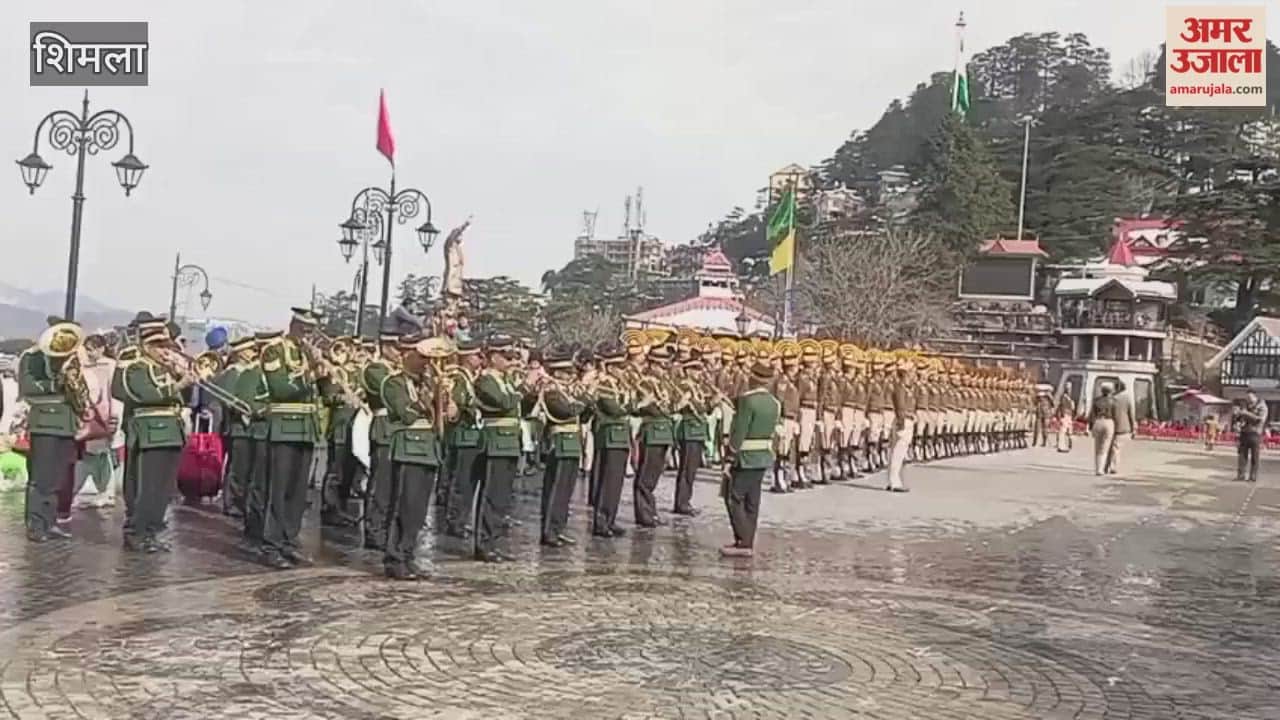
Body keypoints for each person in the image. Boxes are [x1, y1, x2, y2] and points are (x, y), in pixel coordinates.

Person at [257, 309, 323, 568]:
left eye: (311, 332)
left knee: (297, 493)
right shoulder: (276, 350)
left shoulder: (307, 354)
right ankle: (271, 545)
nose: (307, 337)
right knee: (279, 489)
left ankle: (289, 540)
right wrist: (312, 374)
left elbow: (323, 392)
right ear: (293, 326)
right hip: (284, 426)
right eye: (304, 331)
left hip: (306, 428)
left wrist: (326, 373)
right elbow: (281, 388)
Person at [380, 338, 450, 580]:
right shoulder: (393, 382)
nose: (427, 363)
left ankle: (408, 554)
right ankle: (394, 558)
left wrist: (444, 398)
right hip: (408, 448)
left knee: (418, 511)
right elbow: (406, 414)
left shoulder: (428, 382)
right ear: (407, 354)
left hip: (429, 449)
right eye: (422, 357)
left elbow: (446, 417)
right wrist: (427, 396)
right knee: (404, 505)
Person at [122, 325, 195, 551]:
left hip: (171, 430)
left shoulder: (168, 369)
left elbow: (183, 399)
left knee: (163, 489)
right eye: (159, 347)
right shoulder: (136, 368)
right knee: (148, 487)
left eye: (166, 347)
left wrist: (185, 378)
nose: (165, 352)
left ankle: (152, 531)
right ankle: (137, 532)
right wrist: (178, 384)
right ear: (146, 347)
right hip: (150, 431)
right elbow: (145, 395)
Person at [18, 321, 80, 542]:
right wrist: (57, 382)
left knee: (57, 478)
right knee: (41, 478)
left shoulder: (72, 358)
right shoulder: (32, 357)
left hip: (66, 421)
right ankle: (36, 524)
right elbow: (28, 387)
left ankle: (50, 521)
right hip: (44, 419)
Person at [721, 359, 780, 558]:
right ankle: (747, 540)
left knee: (734, 497)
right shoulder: (774, 403)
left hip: (745, 455)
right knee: (752, 501)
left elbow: (739, 432)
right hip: (763, 455)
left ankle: (743, 541)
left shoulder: (748, 401)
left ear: (752, 379)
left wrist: (729, 458)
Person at [473, 335, 522, 562]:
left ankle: (495, 541)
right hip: (495, 441)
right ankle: (484, 543)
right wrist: (521, 389)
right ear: (493, 357)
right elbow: (504, 403)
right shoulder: (486, 380)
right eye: (506, 357)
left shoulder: (506, 380)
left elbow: (521, 405)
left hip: (510, 441)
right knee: (491, 495)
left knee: (502, 497)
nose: (511, 361)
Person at [538, 348, 589, 546]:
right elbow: (567, 411)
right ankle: (549, 530)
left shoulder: (567, 391)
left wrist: (587, 402)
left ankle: (558, 528)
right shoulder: (551, 390)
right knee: (556, 489)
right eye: (567, 372)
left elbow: (582, 415)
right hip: (559, 443)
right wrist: (585, 399)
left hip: (572, 442)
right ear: (558, 372)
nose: (571, 376)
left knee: (566, 491)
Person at [360, 328, 401, 551]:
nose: (400, 353)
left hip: (398, 431)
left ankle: (387, 528)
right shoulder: (376, 369)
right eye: (396, 348)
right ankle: (374, 530)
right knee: (381, 485)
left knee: (395, 486)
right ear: (385, 347)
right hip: (383, 429)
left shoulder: (396, 370)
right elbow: (391, 392)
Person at [632, 345, 675, 528]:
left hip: (664, 432)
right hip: (652, 431)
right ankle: (644, 514)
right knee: (645, 475)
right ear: (654, 364)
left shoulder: (665, 381)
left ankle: (650, 510)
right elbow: (653, 408)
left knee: (655, 474)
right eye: (661, 365)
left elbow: (672, 405)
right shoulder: (645, 382)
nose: (664, 368)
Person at [590, 344, 630, 538]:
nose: (624, 371)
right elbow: (614, 409)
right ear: (612, 368)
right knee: (607, 481)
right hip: (609, 436)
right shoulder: (605, 383)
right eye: (620, 367)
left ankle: (611, 519)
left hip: (620, 436)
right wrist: (630, 405)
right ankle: (601, 521)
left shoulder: (621, 384)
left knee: (616, 482)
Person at [886, 355, 916, 493]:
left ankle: (894, 480)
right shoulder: (900, 388)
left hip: (908, 420)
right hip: (903, 421)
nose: (913, 374)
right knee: (897, 452)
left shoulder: (908, 388)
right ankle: (894, 482)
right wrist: (901, 421)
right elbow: (900, 406)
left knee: (899, 452)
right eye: (911, 372)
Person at [1234, 390, 1268, 483]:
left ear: (1254, 396)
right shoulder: (1246, 406)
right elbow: (1240, 418)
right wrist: (1238, 416)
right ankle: (1240, 475)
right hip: (1244, 433)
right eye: (1247, 398)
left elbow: (1259, 420)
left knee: (1255, 457)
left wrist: (1245, 413)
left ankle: (1253, 476)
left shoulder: (1262, 406)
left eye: (1250, 398)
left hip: (1255, 433)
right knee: (1242, 455)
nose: (1248, 400)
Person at [1089, 385, 1117, 476]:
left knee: (1097, 446)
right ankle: (1102, 468)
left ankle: (1097, 468)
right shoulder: (1113, 401)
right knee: (1105, 446)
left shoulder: (1096, 401)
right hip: (1109, 421)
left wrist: (1091, 426)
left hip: (1098, 421)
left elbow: (1092, 414)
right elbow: (1115, 415)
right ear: (1110, 391)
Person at [1108, 380, 1134, 475]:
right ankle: (1113, 466)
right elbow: (1131, 413)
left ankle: (1110, 466)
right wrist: (1133, 427)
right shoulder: (1127, 398)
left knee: (1112, 447)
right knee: (1116, 447)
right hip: (1123, 426)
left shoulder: (1112, 398)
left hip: (1112, 424)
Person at [1055, 385, 1076, 452]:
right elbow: (1063, 406)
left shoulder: (1069, 398)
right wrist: (1063, 414)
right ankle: (1061, 446)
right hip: (1065, 415)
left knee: (1069, 430)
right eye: (1068, 389)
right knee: (1063, 430)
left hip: (1069, 415)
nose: (1070, 390)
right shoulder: (1064, 397)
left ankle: (1067, 445)